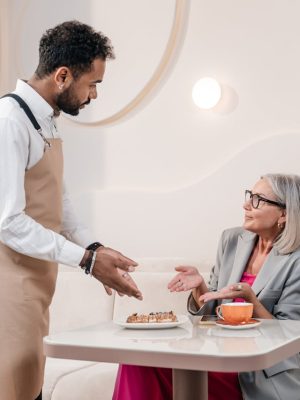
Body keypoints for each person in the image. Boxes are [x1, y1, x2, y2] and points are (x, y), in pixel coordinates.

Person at [0, 20, 142, 400]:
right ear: (63, 76)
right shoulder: (9, 122)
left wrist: (93, 248)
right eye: (92, 83)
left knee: (31, 390)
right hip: (8, 290)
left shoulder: (45, 121)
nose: (93, 95)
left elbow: (58, 200)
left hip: (35, 289)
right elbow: (8, 222)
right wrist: (85, 261)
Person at [113, 173, 300, 400]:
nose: (246, 204)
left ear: (284, 213)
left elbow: (289, 336)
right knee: (137, 359)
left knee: (143, 363)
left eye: (258, 199)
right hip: (216, 354)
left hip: (259, 372)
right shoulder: (231, 240)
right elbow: (211, 315)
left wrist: (251, 300)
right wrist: (200, 286)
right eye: (249, 195)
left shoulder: (296, 260)